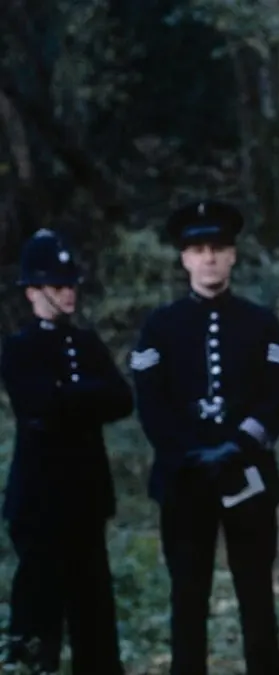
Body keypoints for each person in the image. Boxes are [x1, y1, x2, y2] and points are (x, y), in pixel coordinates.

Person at [129, 200, 279, 675]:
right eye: (199, 250)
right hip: (184, 481)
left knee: (256, 596)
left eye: (218, 248)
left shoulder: (261, 322)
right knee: (188, 597)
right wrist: (189, 453)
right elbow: (150, 403)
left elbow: (277, 394)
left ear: (233, 255)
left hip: (247, 476)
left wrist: (239, 445)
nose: (209, 258)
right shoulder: (159, 327)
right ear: (184, 259)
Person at [1, 229, 130, 674]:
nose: (68, 294)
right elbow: (38, 405)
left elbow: (121, 399)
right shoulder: (18, 348)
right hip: (39, 502)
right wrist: (81, 396)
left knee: (94, 614)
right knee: (39, 615)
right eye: (57, 286)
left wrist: (69, 394)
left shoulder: (88, 344)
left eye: (71, 284)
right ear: (33, 292)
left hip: (86, 500)